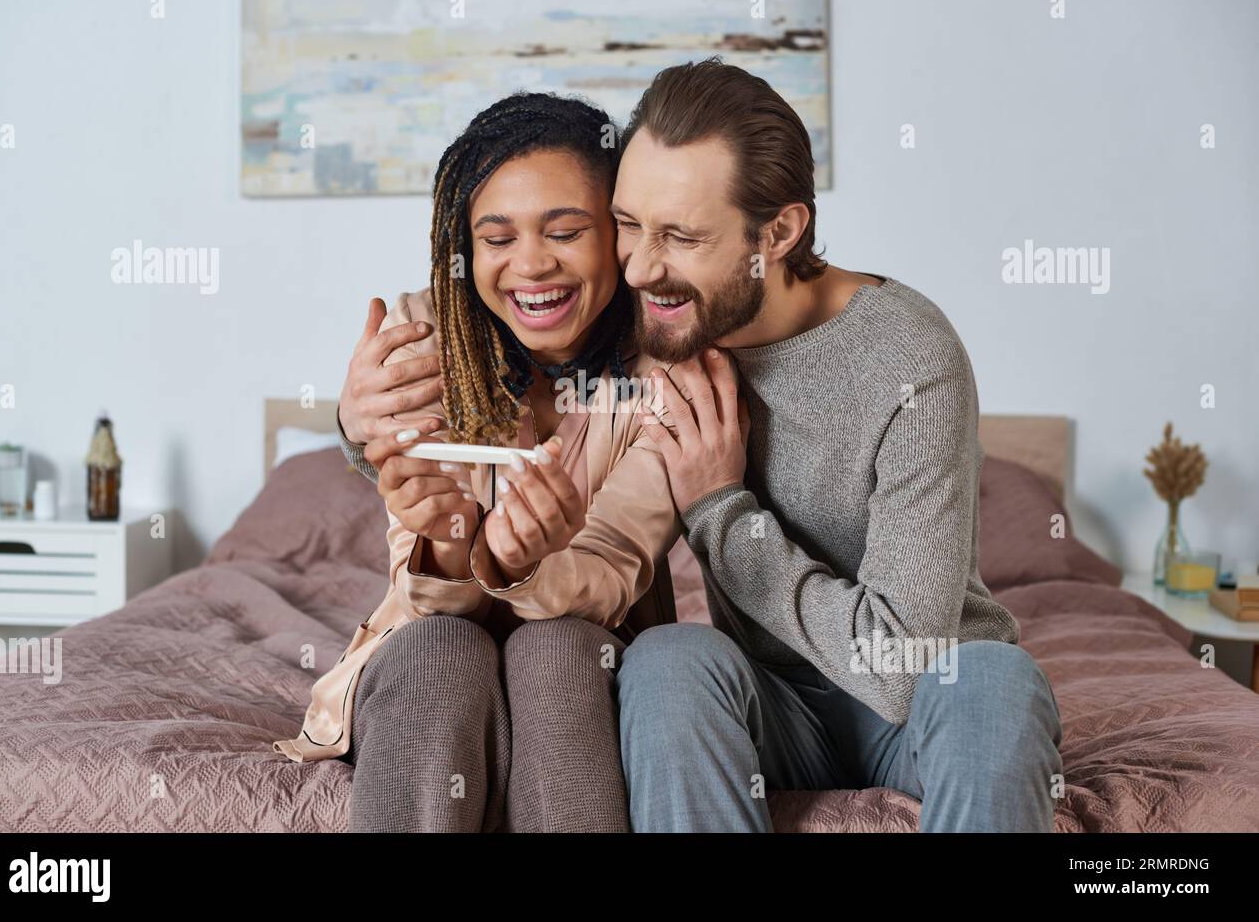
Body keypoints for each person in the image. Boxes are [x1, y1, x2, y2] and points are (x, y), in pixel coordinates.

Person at [610, 57, 1064, 832]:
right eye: (627, 224)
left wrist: (724, 513)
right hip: (772, 702)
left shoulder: (910, 360)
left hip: (920, 706)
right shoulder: (658, 319)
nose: (641, 266)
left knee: (992, 678)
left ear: (780, 231)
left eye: (681, 236)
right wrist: (362, 420)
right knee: (666, 663)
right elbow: (481, 381)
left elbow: (901, 667)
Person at [272, 93, 680, 834]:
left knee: (555, 650)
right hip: (434, 632)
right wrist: (462, 543)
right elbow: (427, 593)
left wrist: (524, 564)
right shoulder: (422, 343)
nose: (531, 264)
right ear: (463, 249)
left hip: (585, 646)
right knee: (439, 650)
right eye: (497, 238)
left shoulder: (666, 370)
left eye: (565, 230)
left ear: (618, 234)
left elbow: (614, 569)